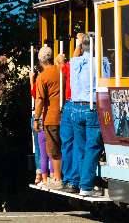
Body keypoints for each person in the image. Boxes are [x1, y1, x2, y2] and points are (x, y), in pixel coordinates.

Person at [68, 33, 103, 196]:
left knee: (80, 146)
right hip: (91, 107)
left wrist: (79, 43)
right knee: (92, 146)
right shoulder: (100, 62)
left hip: (75, 107)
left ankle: (79, 182)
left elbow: (75, 55)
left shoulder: (76, 62)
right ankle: (86, 186)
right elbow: (106, 82)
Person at [33, 45, 63, 189]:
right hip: (65, 114)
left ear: (40, 61)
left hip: (50, 117)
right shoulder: (60, 70)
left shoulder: (42, 77)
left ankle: (57, 178)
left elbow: (39, 100)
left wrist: (37, 118)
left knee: (53, 150)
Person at [57, 38, 79, 193]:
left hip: (69, 104)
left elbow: (62, 66)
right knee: (78, 144)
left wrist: (77, 45)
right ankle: (73, 180)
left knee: (68, 143)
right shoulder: (93, 65)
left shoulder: (73, 66)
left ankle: (68, 179)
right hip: (80, 104)